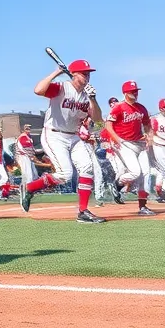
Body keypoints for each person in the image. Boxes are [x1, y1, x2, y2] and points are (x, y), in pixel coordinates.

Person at [21, 59, 104, 223]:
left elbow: (98, 118)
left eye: (88, 74)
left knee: (87, 167)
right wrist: (56, 72)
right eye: (83, 73)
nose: (87, 76)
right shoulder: (62, 87)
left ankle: (83, 211)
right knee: (65, 174)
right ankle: (29, 188)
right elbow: (38, 90)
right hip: (54, 134)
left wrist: (93, 99)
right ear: (73, 74)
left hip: (73, 136)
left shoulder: (87, 95)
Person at [102, 81, 157, 215]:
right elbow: (108, 125)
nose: (135, 93)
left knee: (145, 175)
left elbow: (147, 125)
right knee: (135, 172)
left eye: (136, 91)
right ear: (125, 93)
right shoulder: (119, 107)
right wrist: (117, 139)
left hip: (140, 144)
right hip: (125, 143)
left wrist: (150, 139)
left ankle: (142, 207)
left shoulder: (141, 108)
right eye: (132, 91)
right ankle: (117, 184)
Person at [15, 123, 37, 188]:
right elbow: (20, 148)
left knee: (34, 173)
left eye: (29, 128)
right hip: (23, 157)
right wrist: (28, 155)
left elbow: (31, 148)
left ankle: (29, 186)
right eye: (26, 128)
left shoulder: (29, 137)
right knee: (28, 173)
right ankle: (27, 187)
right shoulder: (22, 137)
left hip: (29, 157)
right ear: (23, 129)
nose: (28, 129)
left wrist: (33, 154)